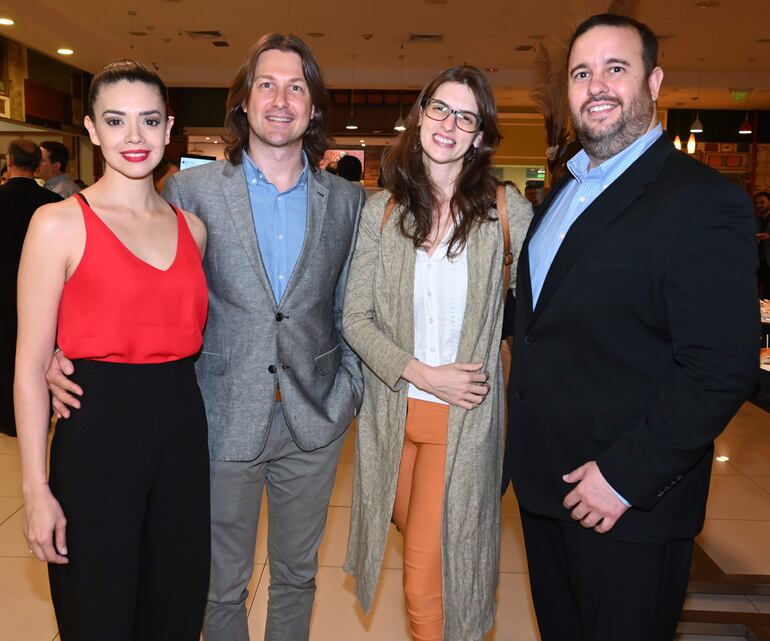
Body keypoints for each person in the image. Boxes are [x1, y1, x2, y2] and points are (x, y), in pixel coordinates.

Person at [49, 34, 364, 641]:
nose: (280, 100)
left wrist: (347, 392)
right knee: (219, 584)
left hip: (315, 419)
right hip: (220, 414)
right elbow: (141, 284)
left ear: (313, 107)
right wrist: (60, 351)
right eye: (266, 85)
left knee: (298, 575)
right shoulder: (190, 193)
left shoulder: (349, 202)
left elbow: (350, 306)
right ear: (243, 101)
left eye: (295, 87)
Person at [504, 14, 758, 641]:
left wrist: (624, 478)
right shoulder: (565, 190)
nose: (596, 86)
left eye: (615, 68)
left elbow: (721, 368)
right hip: (546, 487)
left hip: (627, 503)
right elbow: (543, 320)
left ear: (655, 81)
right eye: (581, 73)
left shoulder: (702, 201)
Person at [15, 60, 209, 640]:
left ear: (168, 127)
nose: (134, 136)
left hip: (181, 437)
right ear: (92, 129)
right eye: (116, 120)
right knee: (97, 614)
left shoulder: (193, 229)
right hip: (96, 438)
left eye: (149, 120)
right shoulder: (57, 224)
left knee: (174, 612)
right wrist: (35, 488)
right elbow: (29, 367)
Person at [343, 66, 532, 641]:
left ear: (480, 136)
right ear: (420, 115)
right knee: (417, 535)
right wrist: (424, 374)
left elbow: (550, 309)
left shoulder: (505, 213)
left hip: (463, 422)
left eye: (466, 117)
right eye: (440, 109)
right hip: (392, 418)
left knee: (422, 579)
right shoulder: (382, 211)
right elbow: (355, 318)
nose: (449, 124)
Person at [0, 139, 62, 437]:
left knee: (5, 355)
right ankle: (41, 411)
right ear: (37, 165)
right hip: (45, 292)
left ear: (9, 160)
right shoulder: (53, 202)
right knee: (41, 355)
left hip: (3, 291)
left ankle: (8, 417)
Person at [755, 191, 770, 296]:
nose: (759, 205)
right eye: (757, 203)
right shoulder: (757, 219)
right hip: (757, 260)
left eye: (762, 202)